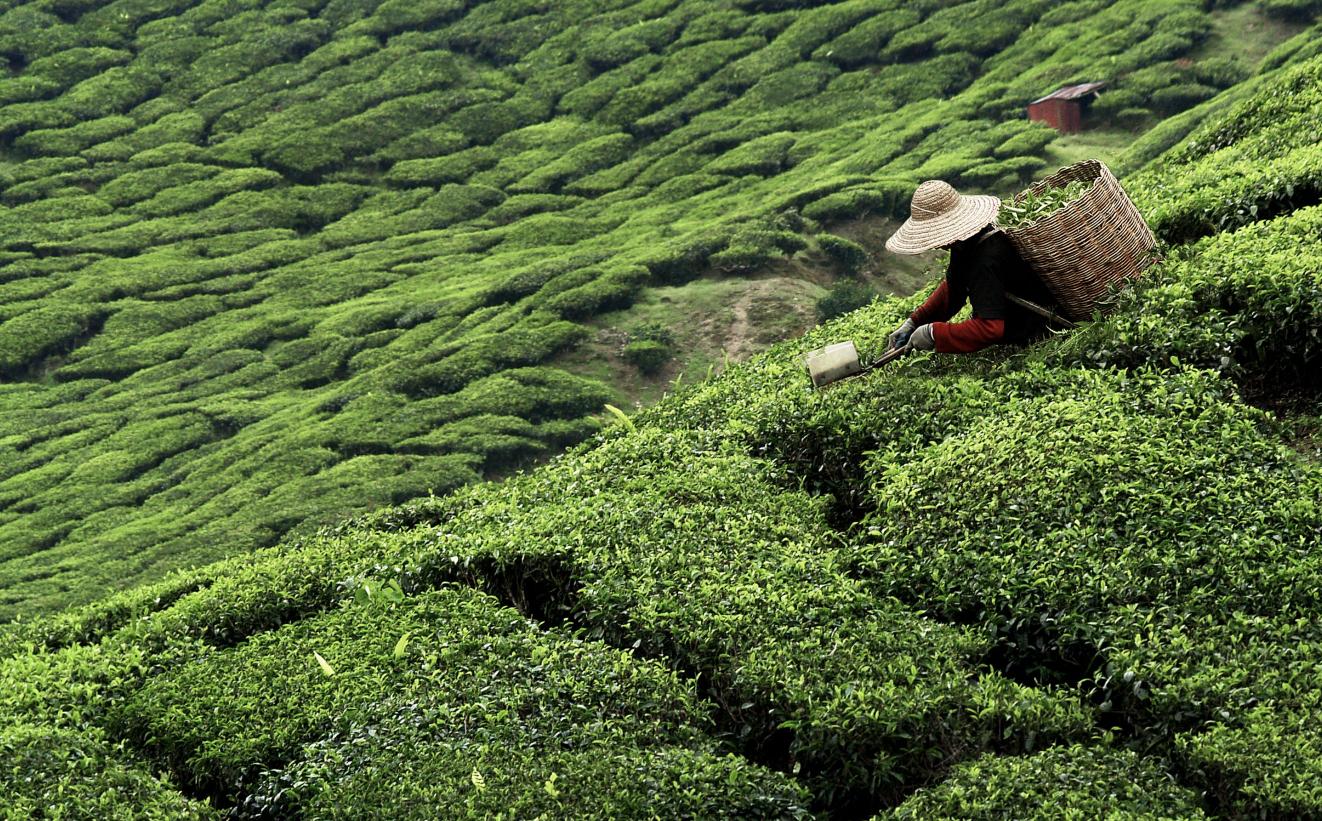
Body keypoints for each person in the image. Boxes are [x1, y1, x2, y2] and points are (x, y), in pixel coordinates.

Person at [884, 180, 1055, 353]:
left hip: (1039, 326)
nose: (936, 246)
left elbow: (990, 329)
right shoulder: (966, 242)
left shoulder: (987, 258)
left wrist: (934, 334)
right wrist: (914, 322)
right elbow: (953, 289)